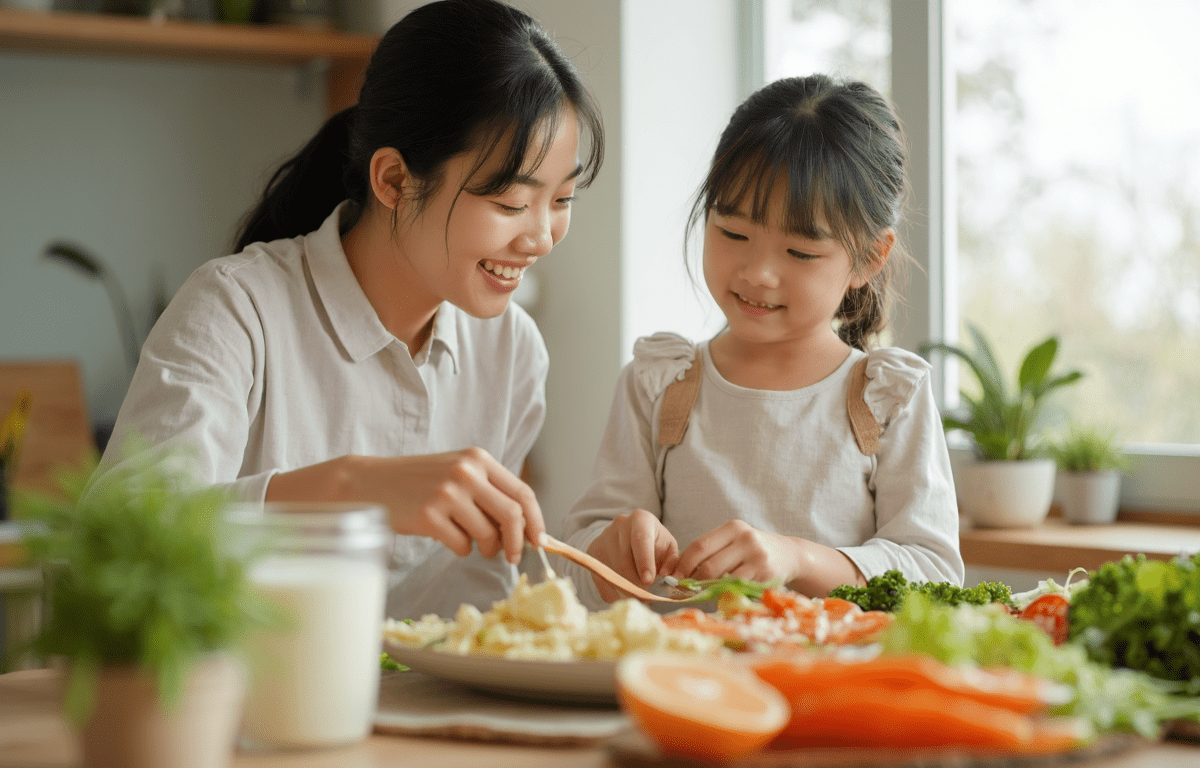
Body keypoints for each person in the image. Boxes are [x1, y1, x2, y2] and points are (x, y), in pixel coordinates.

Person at [93, 0, 604, 619]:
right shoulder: (238, 307)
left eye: (563, 199)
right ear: (392, 180)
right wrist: (350, 489)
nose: (542, 237)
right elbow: (114, 548)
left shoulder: (512, 350)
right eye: (510, 202)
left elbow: (475, 601)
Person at [561, 74, 962, 608]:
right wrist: (612, 546)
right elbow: (581, 563)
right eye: (733, 234)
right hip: (685, 684)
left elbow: (934, 574)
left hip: (830, 687)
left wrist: (798, 559)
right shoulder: (658, 383)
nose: (759, 273)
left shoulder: (888, 398)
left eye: (800, 252)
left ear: (869, 258)